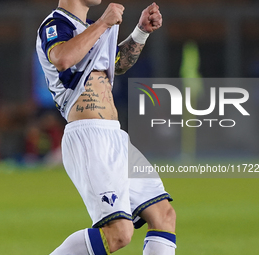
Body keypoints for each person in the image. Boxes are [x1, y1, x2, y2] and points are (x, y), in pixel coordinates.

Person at [36, 1, 176, 254]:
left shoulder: (90, 29)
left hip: (115, 135)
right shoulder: (56, 24)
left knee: (164, 215)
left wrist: (140, 32)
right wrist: (103, 23)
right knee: (118, 234)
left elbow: (116, 64)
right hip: (89, 135)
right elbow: (63, 58)